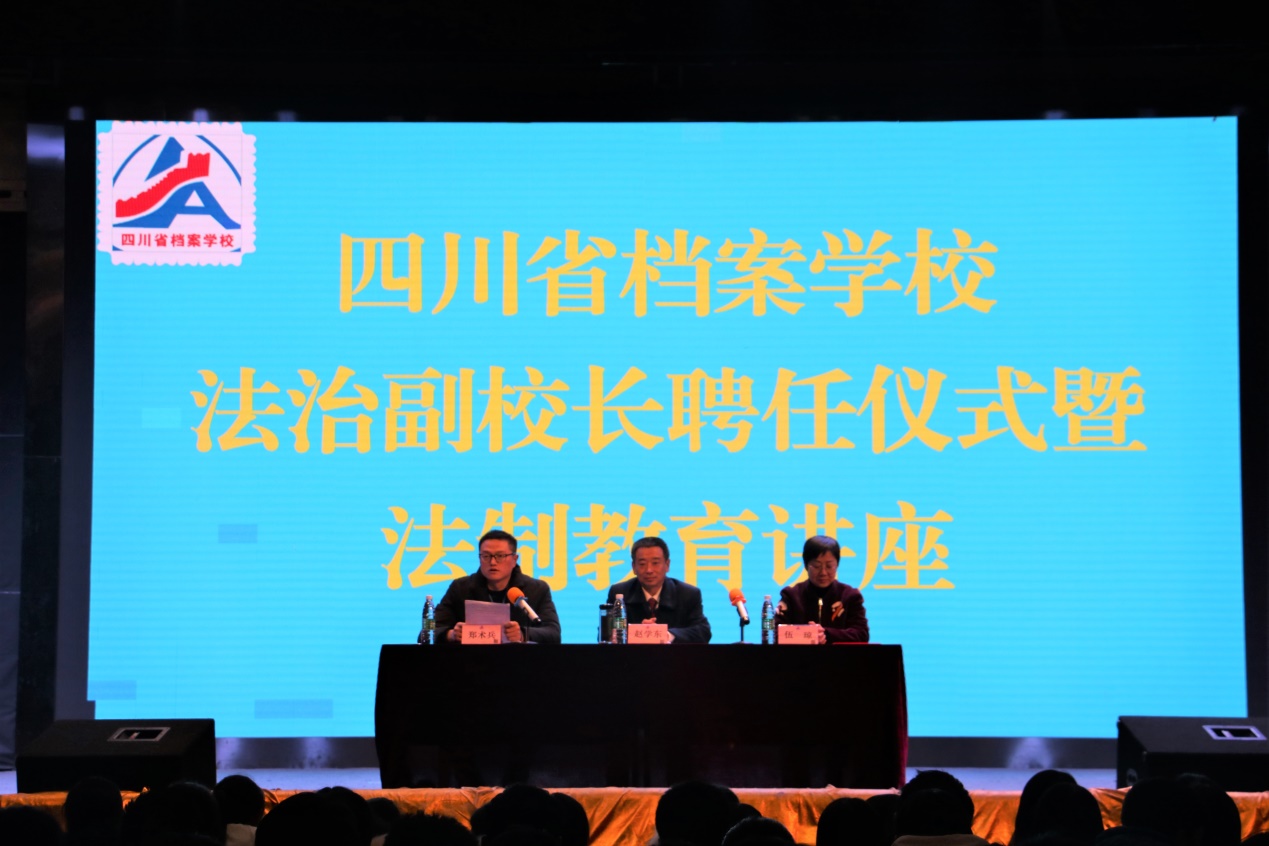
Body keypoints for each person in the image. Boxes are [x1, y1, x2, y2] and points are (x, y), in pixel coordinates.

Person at [430, 530, 561, 645]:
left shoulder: (536, 589)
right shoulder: (460, 588)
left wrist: (522, 634)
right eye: (486, 556)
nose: (493, 562)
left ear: (514, 559)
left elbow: (553, 633)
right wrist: (451, 634)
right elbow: (428, 630)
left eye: (500, 556)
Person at [605, 537, 712, 643]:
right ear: (634, 567)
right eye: (642, 564)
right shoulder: (619, 593)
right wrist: (638, 633)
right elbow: (605, 634)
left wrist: (667, 635)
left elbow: (703, 632)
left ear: (667, 565)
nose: (649, 570)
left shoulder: (688, 594)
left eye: (655, 563)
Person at [774, 535, 868, 643]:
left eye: (829, 566)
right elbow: (775, 634)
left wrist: (826, 634)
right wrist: (810, 635)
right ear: (806, 565)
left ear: (837, 565)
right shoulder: (791, 595)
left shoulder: (850, 596)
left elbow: (862, 634)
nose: (823, 572)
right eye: (816, 566)